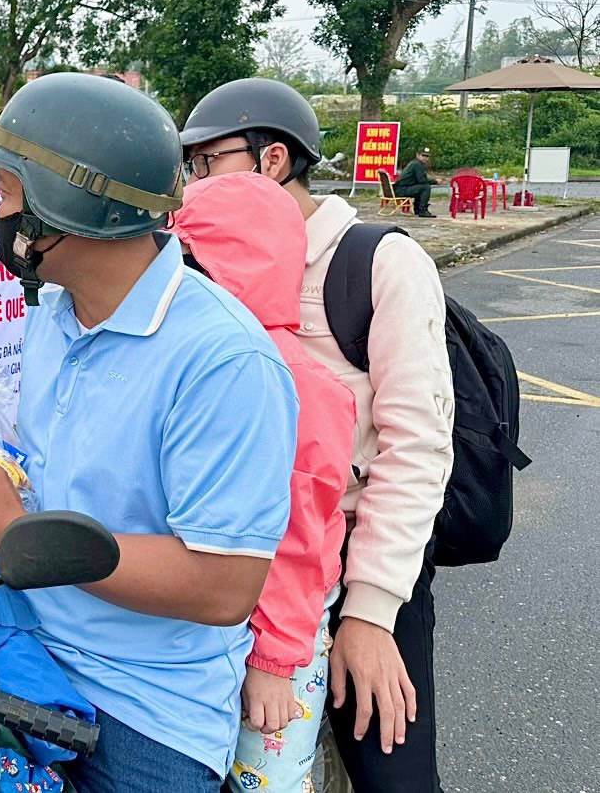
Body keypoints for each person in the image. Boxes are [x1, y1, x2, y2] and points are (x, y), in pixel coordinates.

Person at [0, 73, 300, 793]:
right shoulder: (55, 310)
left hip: (144, 711)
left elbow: (222, 585)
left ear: (66, 202)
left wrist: (15, 531)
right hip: (26, 647)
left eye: (7, 184)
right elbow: (43, 469)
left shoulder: (222, 362)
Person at [181, 77, 455, 793]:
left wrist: (368, 614)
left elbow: (417, 446)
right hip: (239, 566)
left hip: (358, 566)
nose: (194, 182)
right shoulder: (201, 256)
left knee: (390, 771)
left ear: (272, 160)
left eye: (208, 162)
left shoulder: (378, 264)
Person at [171, 172, 355, 793]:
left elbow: (299, 544)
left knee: (264, 778)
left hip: (278, 635)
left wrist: (274, 661)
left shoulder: (297, 385)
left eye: (187, 258)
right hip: (211, 624)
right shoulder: (196, 358)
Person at [394, 148, 442, 217]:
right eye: (423, 155)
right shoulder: (417, 164)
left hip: (401, 189)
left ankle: (417, 209)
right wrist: (435, 181)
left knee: (421, 187)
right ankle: (422, 210)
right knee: (425, 187)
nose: (425, 158)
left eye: (427, 156)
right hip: (402, 189)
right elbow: (422, 180)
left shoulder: (415, 163)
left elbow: (420, 180)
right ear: (417, 155)